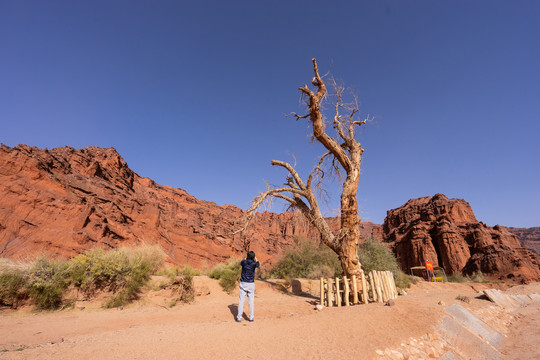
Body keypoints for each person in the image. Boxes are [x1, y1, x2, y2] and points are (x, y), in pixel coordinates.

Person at [236, 251, 260, 322]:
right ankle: (251, 318)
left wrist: (246, 258)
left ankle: (239, 318)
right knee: (251, 301)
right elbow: (258, 264)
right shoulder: (254, 263)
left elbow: (242, 261)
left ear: (247, 256)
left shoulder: (244, 262)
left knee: (241, 301)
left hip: (243, 283)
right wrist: (256, 258)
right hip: (251, 284)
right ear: (253, 257)